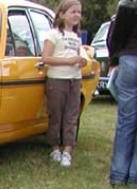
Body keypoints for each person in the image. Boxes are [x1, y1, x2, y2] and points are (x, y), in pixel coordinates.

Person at [41, 0, 88, 167]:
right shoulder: (53, 34)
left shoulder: (76, 37)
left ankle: (67, 150)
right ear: (62, 15)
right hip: (57, 79)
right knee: (56, 114)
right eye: (73, 12)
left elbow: (78, 56)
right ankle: (55, 147)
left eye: (79, 12)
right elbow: (46, 58)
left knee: (71, 115)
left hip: (74, 79)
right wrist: (68, 61)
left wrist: (81, 61)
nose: (77, 15)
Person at [108, 0, 137, 188]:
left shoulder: (129, 3)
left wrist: (114, 59)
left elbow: (117, 32)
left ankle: (118, 174)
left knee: (125, 119)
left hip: (129, 57)